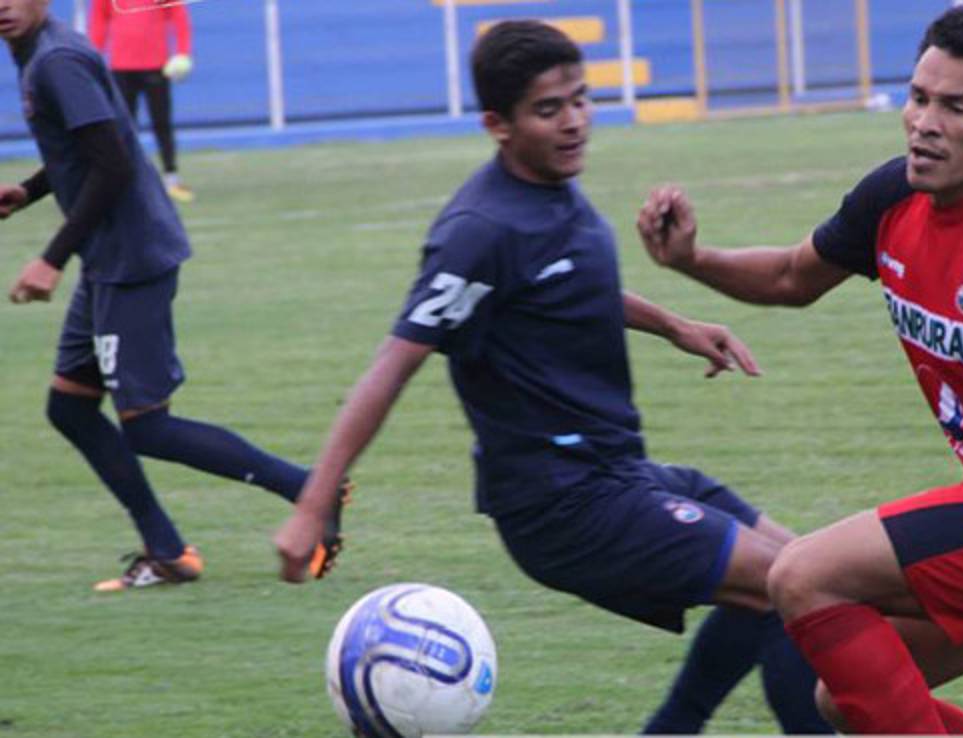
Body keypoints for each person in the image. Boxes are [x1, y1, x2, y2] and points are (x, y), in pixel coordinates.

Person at [274, 20, 829, 735]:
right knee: (801, 589)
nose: (573, 123)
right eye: (548, 110)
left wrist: (675, 326)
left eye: (580, 100)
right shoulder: (479, 230)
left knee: (803, 567)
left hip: (616, 474)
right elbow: (395, 362)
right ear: (496, 125)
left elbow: (563, 288)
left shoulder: (554, 192)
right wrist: (312, 503)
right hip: (561, 506)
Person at [637, 5, 963, 734]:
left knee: (800, 574)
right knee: (848, 696)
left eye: (956, 107)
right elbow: (795, 277)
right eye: (918, 97)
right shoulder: (896, 195)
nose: (924, 122)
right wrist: (691, 260)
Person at [0, 0, 347, 591]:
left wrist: (50, 258)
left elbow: (111, 164)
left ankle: (312, 492)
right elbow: (90, 149)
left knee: (148, 427)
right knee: (71, 407)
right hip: (112, 260)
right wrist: (29, 191)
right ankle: (166, 549)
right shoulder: (44, 52)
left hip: (130, 260)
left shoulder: (55, 60)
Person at [88, 0, 194, 203]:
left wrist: (183, 52)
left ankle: (171, 177)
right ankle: (128, 180)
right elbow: (99, 21)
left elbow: (179, 16)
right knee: (124, 127)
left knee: (162, 123)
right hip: (121, 67)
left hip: (156, 65)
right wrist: (93, 57)